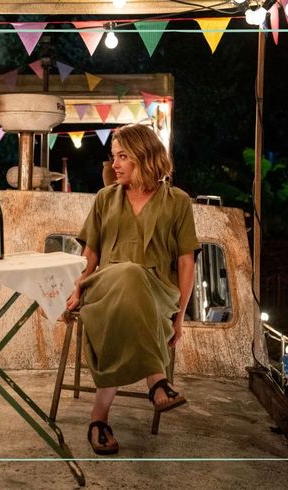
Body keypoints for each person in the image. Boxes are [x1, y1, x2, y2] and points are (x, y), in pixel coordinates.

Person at [65, 123, 199, 455]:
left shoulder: (177, 201)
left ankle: (99, 419)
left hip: (157, 293)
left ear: (145, 156)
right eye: (113, 157)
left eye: (123, 157)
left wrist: (179, 316)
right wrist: (78, 291)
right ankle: (157, 379)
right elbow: (91, 254)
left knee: (130, 290)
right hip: (104, 286)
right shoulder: (105, 198)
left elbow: (185, 263)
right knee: (126, 275)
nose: (115, 165)